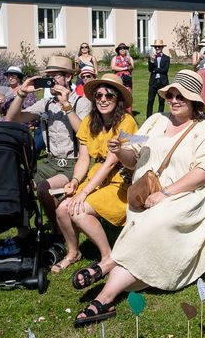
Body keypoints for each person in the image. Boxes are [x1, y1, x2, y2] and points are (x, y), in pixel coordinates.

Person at [73, 70, 205, 326]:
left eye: (182, 97)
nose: (175, 100)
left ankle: (106, 285)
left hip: (186, 196)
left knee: (156, 222)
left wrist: (165, 194)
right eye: (172, 95)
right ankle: (110, 281)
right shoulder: (154, 121)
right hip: (145, 194)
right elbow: (132, 156)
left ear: (195, 102)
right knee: (145, 232)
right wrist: (120, 150)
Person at [51, 74, 137, 274]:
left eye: (109, 95)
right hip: (96, 176)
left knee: (78, 210)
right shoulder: (90, 121)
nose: (103, 99)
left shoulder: (126, 122)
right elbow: (83, 158)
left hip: (119, 180)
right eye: (98, 96)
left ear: (118, 99)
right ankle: (73, 253)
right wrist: (74, 181)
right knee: (62, 209)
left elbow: (110, 163)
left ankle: (108, 257)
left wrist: (83, 193)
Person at [6, 56, 92, 238]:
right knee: (19, 181)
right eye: (49, 78)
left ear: (68, 77)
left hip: (72, 163)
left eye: (55, 77)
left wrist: (67, 105)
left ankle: (58, 231)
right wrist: (22, 93)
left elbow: (84, 133)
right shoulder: (46, 103)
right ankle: (25, 230)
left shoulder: (81, 102)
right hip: (50, 161)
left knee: (44, 189)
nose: (51, 82)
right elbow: (12, 119)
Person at [146, 39, 170, 118]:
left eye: (158, 47)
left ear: (162, 47)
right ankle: (148, 118)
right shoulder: (151, 57)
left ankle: (160, 117)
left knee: (161, 101)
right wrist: (152, 62)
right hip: (153, 82)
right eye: (155, 47)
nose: (157, 48)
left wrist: (155, 70)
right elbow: (150, 69)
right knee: (150, 101)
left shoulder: (167, 58)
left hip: (163, 82)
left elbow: (165, 70)